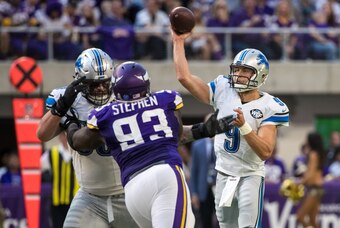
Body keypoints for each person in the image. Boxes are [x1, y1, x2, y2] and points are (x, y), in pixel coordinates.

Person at [63, 61, 235, 228]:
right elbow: (175, 136)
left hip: (132, 192)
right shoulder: (165, 100)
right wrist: (203, 130)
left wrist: (69, 123)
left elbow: (78, 142)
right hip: (164, 176)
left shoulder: (105, 115)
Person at [171, 28, 290, 228]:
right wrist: (178, 41)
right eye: (236, 69)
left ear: (260, 75)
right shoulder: (224, 88)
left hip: (250, 175)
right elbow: (185, 78)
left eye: (245, 71)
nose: (238, 74)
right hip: (224, 174)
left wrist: (244, 126)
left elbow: (265, 151)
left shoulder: (271, 106)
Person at [36, 48, 139, 228]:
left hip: (129, 192)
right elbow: (42, 134)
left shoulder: (125, 96)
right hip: (90, 197)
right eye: (93, 84)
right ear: (80, 81)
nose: (100, 89)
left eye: (105, 83)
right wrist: (60, 107)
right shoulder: (70, 100)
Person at [41, 132, 79, 228]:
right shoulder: (51, 153)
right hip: (57, 201)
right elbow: (38, 168)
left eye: (68, 135)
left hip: (77, 200)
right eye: (63, 135)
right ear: (59, 136)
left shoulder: (79, 152)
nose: (65, 138)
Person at [190, 113, 218, 228]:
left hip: (219, 188)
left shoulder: (224, 144)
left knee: (222, 221)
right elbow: (194, 171)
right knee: (205, 221)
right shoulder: (197, 145)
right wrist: (194, 193)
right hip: (203, 189)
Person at [296, 132, 325, 228]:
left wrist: (300, 183)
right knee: (312, 220)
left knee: (300, 217)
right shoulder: (318, 154)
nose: (305, 141)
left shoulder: (313, 154)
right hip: (318, 189)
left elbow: (311, 175)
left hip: (314, 190)